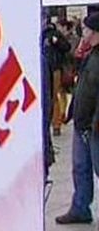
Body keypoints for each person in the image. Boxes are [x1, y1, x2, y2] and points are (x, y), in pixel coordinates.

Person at [56, 13, 99, 225]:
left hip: (94, 124)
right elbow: (81, 85)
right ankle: (80, 207)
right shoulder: (89, 54)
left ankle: (81, 206)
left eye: (87, 29)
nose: (84, 32)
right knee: (80, 166)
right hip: (82, 122)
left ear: (95, 32)